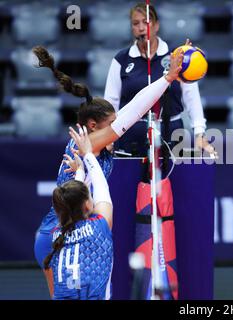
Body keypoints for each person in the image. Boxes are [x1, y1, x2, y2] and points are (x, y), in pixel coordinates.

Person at [32, 45, 182, 297]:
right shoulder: (85, 143)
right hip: (57, 234)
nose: (117, 130)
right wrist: (167, 78)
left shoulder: (94, 147)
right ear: (93, 126)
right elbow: (133, 111)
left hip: (75, 231)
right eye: (110, 124)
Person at [104, 2, 214, 156]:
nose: (141, 28)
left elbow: (192, 98)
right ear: (131, 28)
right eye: (136, 23)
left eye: (146, 22)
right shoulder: (121, 59)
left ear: (156, 25)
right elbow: (111, 102)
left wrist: (200, 133)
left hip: (172, 132)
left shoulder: (176, 56)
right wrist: (107, 137)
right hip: (131, 133)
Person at [45, 124, 113, 299]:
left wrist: (80, 173)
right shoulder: (98, 228)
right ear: (87, 206)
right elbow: (101, 186)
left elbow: (73, 200)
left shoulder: (55, 236)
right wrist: (88, 154)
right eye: (90, 197)